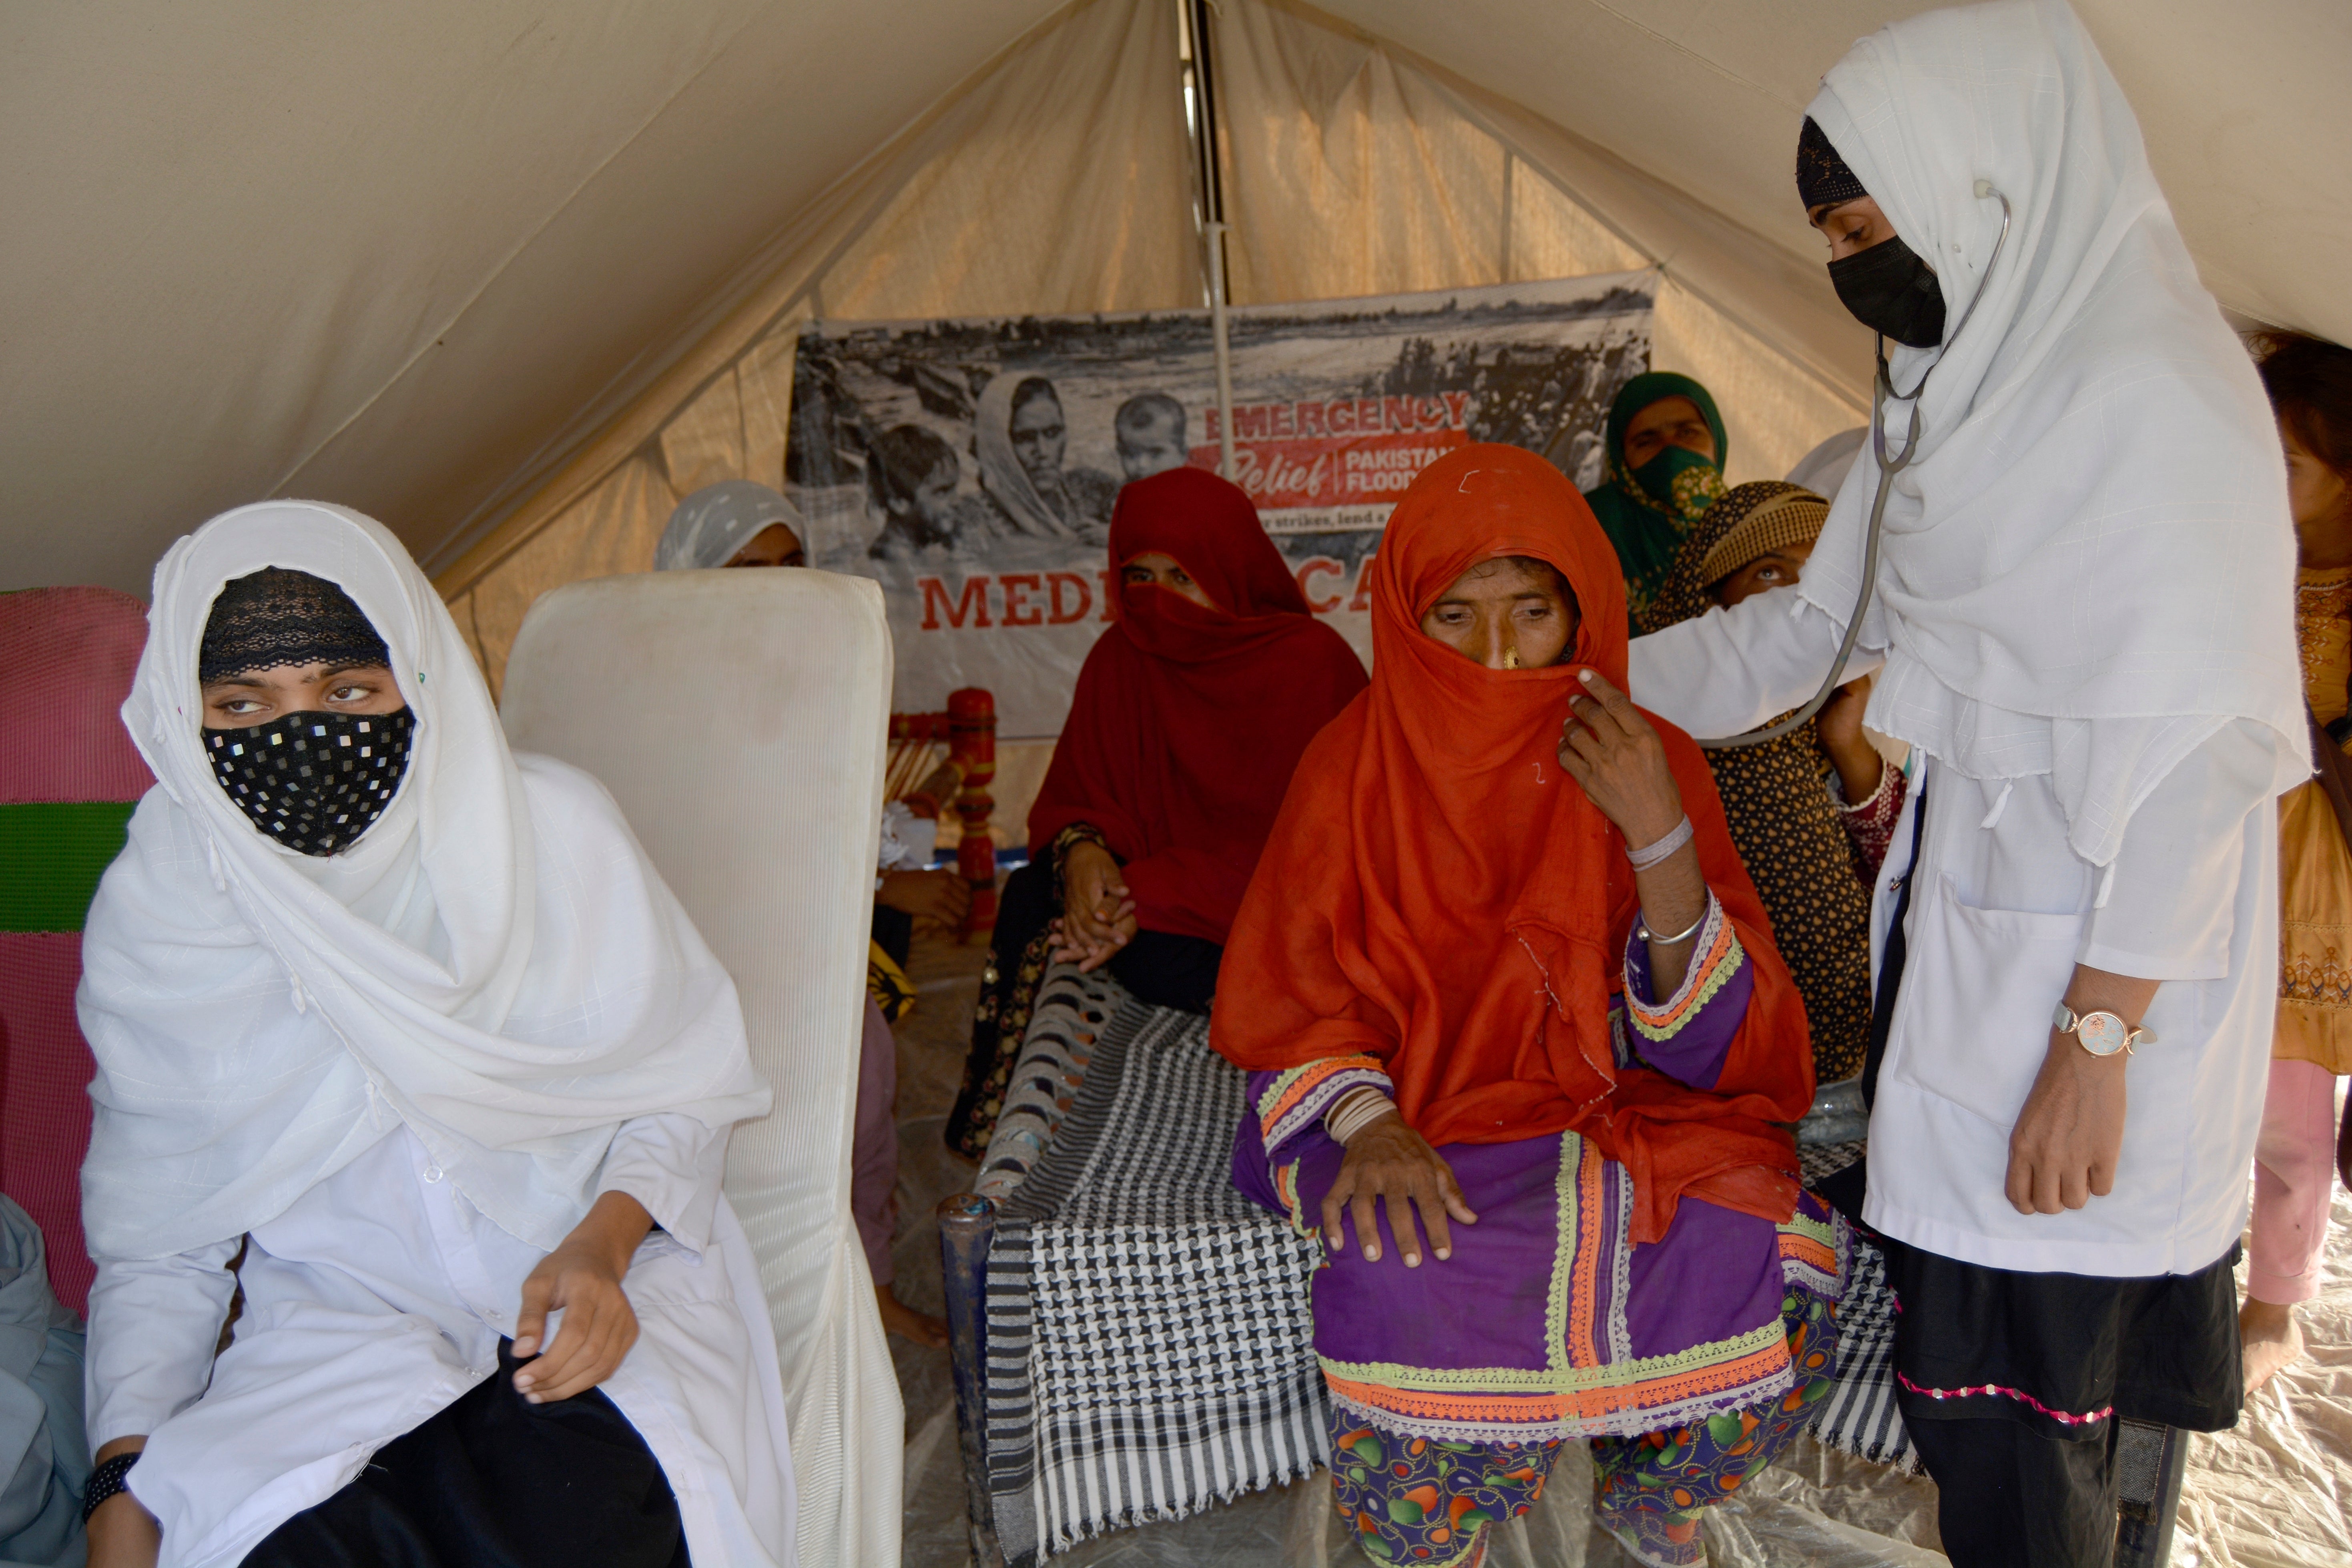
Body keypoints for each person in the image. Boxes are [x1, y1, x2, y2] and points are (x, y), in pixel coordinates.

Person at [1629, 6, 2305, 1562]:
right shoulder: (1950, 404)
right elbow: (1800, 635)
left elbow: (2204, 764)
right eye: (1831, 237)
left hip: (2097, 997)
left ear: (1990, 188)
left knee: (2046, 1441)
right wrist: (1561, 680)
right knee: (1975, 1426)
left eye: (1873, 226)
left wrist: (2093, 1036)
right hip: (1968, 975)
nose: (1855, 268)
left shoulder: (2159, 404)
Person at [78, 504, 793, 1568]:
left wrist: (603, 1239)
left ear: (420, 673)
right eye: (243, 702)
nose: (302, 734)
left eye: (348, 690)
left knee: (586, 1520)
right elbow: (159, 1244)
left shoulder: (551, 835)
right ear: (184, 723)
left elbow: (684, 1084)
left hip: (597, 1292)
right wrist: (119, 1481)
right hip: (337, 1333)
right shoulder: (168, 911)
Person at [1214, 446, 1842, 1568]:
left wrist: (1656, 835)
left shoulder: (1648, 754)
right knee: (1401, 1257)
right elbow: (1297, 1007)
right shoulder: (1346, 771)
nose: (1496, 656)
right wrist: (1372, 1125)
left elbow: (1717, 1051)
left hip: (1629, 1108)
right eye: (1453, 614)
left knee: (1771, 1235)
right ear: (1403, 618)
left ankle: (1658, 1504)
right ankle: (1436, 1544)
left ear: (1584, 613)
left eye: (1532, 613)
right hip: (1429, 1112)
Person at [945, 466, 1366, 1159]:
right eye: (1140, 577)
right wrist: (1089, 857)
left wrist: (1144, 893)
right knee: (1034, 896)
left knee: (1250, 962)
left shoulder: (1311, 666)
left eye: (1183, 576)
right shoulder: (1123, 656)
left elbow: (1329, 855)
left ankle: (1272, 1028)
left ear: (1233, 570)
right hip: (1161, 918)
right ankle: (991, 1133)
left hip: (1279, 922)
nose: (1159, 600)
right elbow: (1086, 790)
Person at [652, 483, 959, 1348]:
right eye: (751, 570)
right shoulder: (659, 690)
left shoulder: (804, 668)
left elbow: (819, 811)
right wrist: (882, 893)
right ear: (690, 579)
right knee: (758, 1138)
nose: (783, 588)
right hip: (712, 961)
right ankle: (761, 1306)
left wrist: (877, 865)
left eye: (794, 566)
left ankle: (863, 1291)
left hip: (813, 949)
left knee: (860, 1107)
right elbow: (718, 844)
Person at [1646, 482, 1910, 1092]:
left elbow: (1911, 889)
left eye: (1826, 585)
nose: (1797, 604)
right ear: (1708, 605)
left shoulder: (1871, 721)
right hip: (1715, 1079)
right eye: (1770, 573)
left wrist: (1849, 750)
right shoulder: (1657, 742)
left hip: (1858, 1079)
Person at [2241, 330, 2352, 1393]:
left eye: (2292, 464)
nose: (2265, 483)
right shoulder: (2235, 553)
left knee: (2287, 1114)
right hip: (2215, 846)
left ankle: (2272, 1300)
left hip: (2314, 883)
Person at [1580, 372, 1728, 634]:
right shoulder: (1588, 524)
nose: (1671, 451)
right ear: (1621, 457)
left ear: (1717, 441)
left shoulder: (1752, 523)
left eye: (1687, 432)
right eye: (1647, 441)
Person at [972, 374, 1118, 540]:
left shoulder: (1093, 490)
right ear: (998, 446)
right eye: (1025, 438)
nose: (1043, 451)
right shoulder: (972, 521)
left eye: (1052, 434)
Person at [865, 423, 965, 561]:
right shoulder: (898, 560)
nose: (957, 501)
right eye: (942, 492)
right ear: (898, 502)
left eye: (955, 489)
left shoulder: (922, 541)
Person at [1113, 393, 1190, 482]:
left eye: (1155, 454)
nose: (1142, 465)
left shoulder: (1193, 494)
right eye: (1131, 454)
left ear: (1182, 454)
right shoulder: (1122, 494)